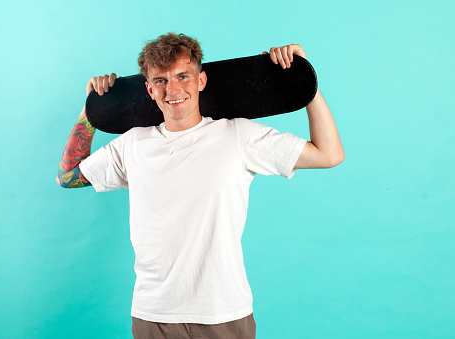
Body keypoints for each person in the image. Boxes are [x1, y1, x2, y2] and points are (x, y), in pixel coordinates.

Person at [56, 33, 344, 339]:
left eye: (183, 76)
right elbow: (69, 176)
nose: (173, 89)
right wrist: (91, 109)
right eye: (161, 80)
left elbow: (329, 154)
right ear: (149, 89)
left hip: (223, 312)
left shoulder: (238, 135)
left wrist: (304, 81)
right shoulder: (133, 144)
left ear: (201, 80)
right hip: (154, 314)